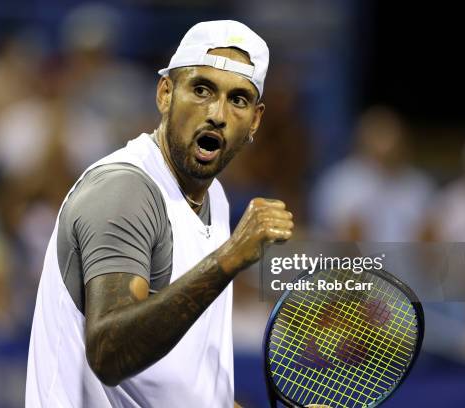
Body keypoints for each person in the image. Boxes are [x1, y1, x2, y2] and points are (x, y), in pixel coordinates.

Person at [26, 20, 295, 407]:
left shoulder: (214, 198)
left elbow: (180, 389)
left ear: (254, 120)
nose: (217, 113)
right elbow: (110, 354)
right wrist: (231, 258)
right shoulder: (125, 190)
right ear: (166, 93)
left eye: (237, 99)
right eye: (202, 90)